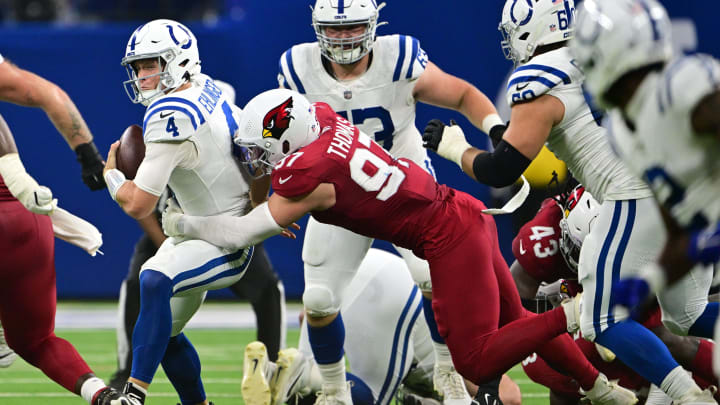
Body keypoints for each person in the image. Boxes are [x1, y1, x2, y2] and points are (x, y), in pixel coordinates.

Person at [163, 88, 640, 405]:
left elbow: (243, 233)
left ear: (289, 135)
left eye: (266, 146)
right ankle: (601, 389)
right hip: (462, 210)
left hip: (446, 237)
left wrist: (182, 223)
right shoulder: (325, 121)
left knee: (474, 358)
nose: (262, 159)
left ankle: (575, 314)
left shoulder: (309, 172)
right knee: (516, 317)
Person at [421, 0, 715, 402]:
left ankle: (689, 397)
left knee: (602, 319)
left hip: (633, 193)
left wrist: (455, 149)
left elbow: (501, 169)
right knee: (686, 318)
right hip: (683, 183)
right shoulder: (601, 57)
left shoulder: (540, 78)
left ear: (529, 29)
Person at [277, 1, 507, 403]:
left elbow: (463, 94)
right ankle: (333, 390)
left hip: (403, 185)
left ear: (374, 25)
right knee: (317, 299)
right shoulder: (298, 67)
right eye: (335, 29)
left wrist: (495, 128)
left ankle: (446, 369)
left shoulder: (397, 58)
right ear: (317, 28)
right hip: (339, 197)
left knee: (434, 279)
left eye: (354, 28)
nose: (345, 37)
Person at [102, 19, 260, 405]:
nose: (142, 75)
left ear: (178, 62)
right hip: (197, 230)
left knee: (153, 277)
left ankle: (133, 395)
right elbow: (253, 154)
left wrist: (112, 177)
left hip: (224, 240)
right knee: (162, 331)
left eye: (151, 64)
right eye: (137, 67)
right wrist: (260, 204)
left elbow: (138, 203)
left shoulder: (170, 113)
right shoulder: (208, 87)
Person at [108, 81, 287, 390]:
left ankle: (274, 369)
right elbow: (144, 207)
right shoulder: (172, 137)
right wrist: (171, 240)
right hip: (172, 225)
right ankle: (128, 371)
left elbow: (260, 169)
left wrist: (113, 179)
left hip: (219, 229)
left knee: (268, 289)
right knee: (146, 292)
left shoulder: (222, 140)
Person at [568, 0, 720, 356]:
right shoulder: (622, 131)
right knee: (680, 318)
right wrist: (648, 281)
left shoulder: (683, 87)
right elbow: (680, 234)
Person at [0, 54, 130, 404]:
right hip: (26, 221)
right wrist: (88, 155)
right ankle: (102, 395)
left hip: (18, 205)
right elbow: (48, 93)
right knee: (37, 342)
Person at [510, 185, 718, 404]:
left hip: (638, 282)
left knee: (672, 335)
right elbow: (511, 299)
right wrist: (550, 319)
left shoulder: (647, 227)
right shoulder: (545, 236)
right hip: (577, 301)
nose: (588, 258)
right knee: (556, 369)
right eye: (581, 250)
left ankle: (685, 390)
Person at [241, 249, 522, 405]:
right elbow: (510, 397)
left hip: (344, 273)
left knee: (303, 396)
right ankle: (305, 374)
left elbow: (305, 318)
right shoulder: (470, 349)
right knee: (363, 399)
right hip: (393, 294)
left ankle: (275, 371)